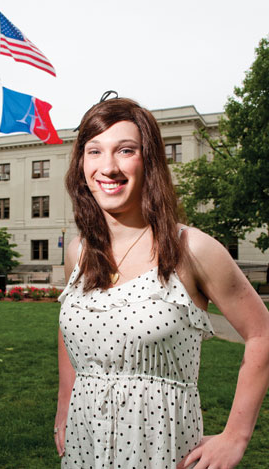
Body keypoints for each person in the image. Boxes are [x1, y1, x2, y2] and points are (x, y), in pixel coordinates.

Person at [54, 93, 269, 469]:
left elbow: (262, 333)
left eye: (125, 151)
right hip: (85, 439)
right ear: (80, 164)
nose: (108, 167)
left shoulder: (193, 249)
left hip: (161, 444)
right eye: (94, 151)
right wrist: (64, 403)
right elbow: (70, 327)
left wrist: (236, 435)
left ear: (149, 161)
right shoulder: (79, 251)